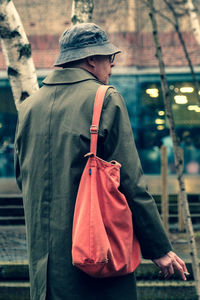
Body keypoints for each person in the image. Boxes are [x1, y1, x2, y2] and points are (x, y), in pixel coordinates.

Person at [14, 23, 188, 300]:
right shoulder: (105, 99)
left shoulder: (29, 107)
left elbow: (23, 179)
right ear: (91, 59)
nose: (113, 64)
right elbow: (131, 184)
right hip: (96, 263)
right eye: (109, 58)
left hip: (44, 274)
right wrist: (160, 249)